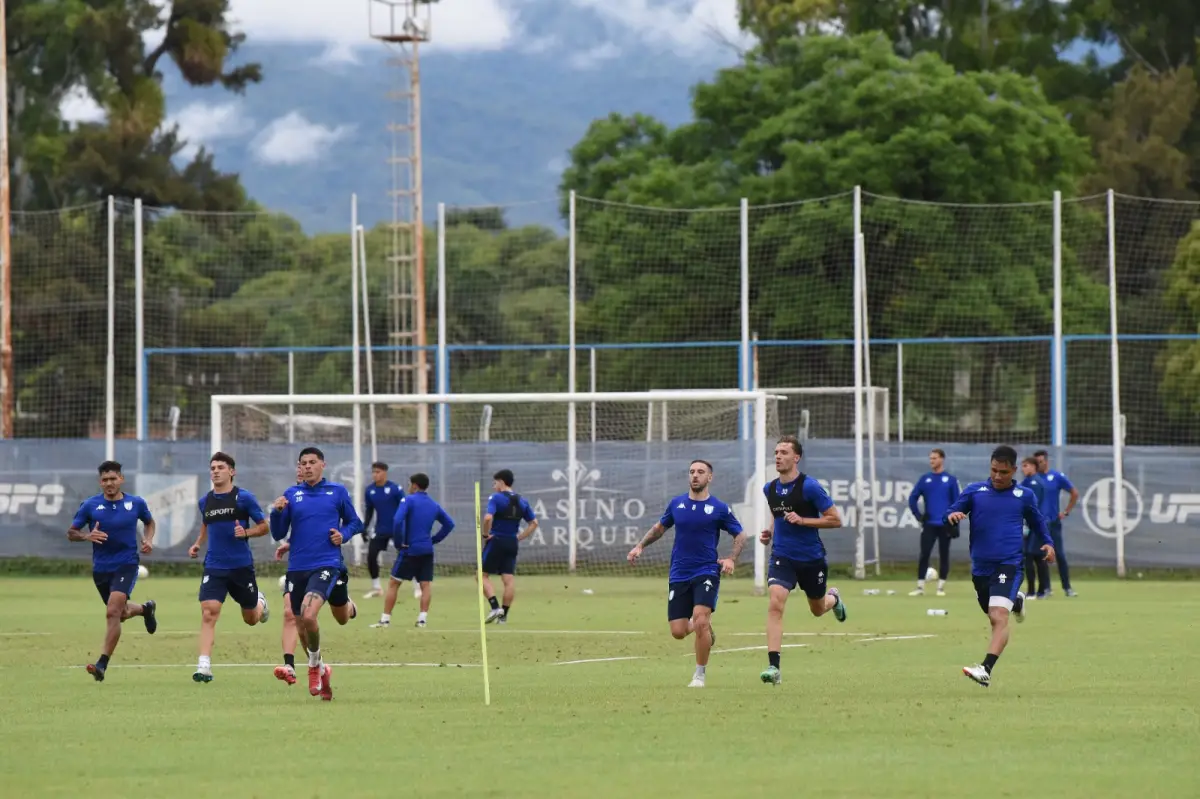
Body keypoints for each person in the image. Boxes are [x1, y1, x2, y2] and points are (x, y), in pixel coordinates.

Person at [627, 459, 746, 688]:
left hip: (707, 570)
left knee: (700, 621)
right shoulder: (676, 504)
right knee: (678, 631)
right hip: (679, 572)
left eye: (701, 472)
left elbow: (740, 535)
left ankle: (699, 675)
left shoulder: (719, 508)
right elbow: (659, 528)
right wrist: (640, 546)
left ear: (709, 477)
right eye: (692, 472)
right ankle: (703, 625)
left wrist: (731, 558)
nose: (695, 475)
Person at [944, 445, 1055, 687]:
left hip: (1010, 564)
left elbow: (1037, 521)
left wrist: (1047, 543)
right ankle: (1016, 601)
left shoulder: (1024, 496)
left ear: (1014, 470)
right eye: (994, 470)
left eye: (1003, 472)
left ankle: (985, 669)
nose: (997, 476)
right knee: (991, 610)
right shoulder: (975, 492)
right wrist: (952, 517)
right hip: (981, 568)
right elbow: (951, 512)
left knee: (998, 616)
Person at [269, 446, 363, 700]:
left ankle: (312, 665)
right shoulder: (292, 494)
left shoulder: (337, 492)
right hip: (298, 567)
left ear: (323, 464)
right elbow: (278, 533)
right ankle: (322, 671)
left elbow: (356, 522)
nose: (308, 466)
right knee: (301, 624)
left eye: (312, 462)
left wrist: (342, 535)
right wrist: (276, 513)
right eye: (304, 463)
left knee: (314, 616)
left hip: (327, 563)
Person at [758, 436, 846, 687]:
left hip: (811, 559)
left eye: (784, 452)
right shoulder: (770, 489)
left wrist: (804, 521)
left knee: (817, 609)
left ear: (796, 458)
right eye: (776, 452)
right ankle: (774, 667)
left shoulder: (810, 487)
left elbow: (835, 519)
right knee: (776, 602)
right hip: (782, 556)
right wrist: (769, 533)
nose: (778, 456)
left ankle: (834, 599)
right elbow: (778, 515)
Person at [67, 460, 158, 682]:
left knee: (112, 612)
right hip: (101, 569)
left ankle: (101, 665)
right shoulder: (90, 505)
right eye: (105, 480)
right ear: (100, 482)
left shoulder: (136, 503)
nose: (109, 483)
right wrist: (87, 536)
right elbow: (71, 532)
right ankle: (146, 609)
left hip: (127, 563)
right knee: (122, 613)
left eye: (113, 479)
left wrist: (148, 539)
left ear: (121, 479)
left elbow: (149, 522)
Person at [187, 452, 270, 683]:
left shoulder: (244, 498)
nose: (215, 471)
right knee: (208, 611)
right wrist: (197, 544)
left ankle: (260, 603)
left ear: (231, 471)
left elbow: (264, 527)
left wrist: (246, 532)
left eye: (220, 467)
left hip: (241, 567)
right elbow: (206, 524)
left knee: (251, 618)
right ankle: (204, 666)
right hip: (214, 566)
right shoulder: (205, 501)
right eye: (212, 467)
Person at [371, 473, 454, 629]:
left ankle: (385, 620)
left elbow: (397, 520)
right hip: (427, 550)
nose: (409, 487)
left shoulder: (408, 500)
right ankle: (422, 619)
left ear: (414, 485)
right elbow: (449, 524)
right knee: (425, 584)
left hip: (410, 549)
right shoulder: (433, 504)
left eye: (410, 484)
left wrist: (398, 542)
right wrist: (433, 540)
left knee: (394, 583)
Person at [480, 469, 539, 625]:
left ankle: (494, 607)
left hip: (496, 540)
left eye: (495, 483)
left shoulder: (496, 498)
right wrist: (519, 537)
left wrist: (486, 535)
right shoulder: (522, 501)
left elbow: (487, 518)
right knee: (508, 579)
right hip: (512, 542)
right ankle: (503, 617)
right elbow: (534, 523)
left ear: (502, 482)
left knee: (482, 575)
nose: (493, 486)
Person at [907, 448, 961, 596]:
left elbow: (958, 502)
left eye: (935, 458)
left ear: (942, 459)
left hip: (945, 524)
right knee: (924, 554)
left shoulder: (950, 480)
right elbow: (912, 499)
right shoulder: (925, 479)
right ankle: (920, 587)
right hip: (929, 524)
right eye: (930, 458)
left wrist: (955, 523)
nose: (932, 461)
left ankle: (940, 587)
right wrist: (919, 515)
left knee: (944, 554)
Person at [1033, 450, 1079, 597]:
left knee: (1059, 555)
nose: (1038, 465)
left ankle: (1067, 588)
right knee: (1041, 557)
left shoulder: (1056, 477)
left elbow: (1074, 493)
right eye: (1035, 462)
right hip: (1039, 524)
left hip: (1053, 522)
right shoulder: (1033, 479)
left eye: (1040, 461)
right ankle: (1046, 588)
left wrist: (1065, 512)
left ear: (1046, 461)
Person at [362, 462, 405, 599]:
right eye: (373, 472)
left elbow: (405, 508)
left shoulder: (395, 489)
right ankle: (376, 588)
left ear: (385, 472)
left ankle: (417, 587)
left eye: (378, 472)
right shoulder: (370, 490)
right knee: (371, 556)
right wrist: (365, 528)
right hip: (381, 529)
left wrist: (406, 526)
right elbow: (369, 511)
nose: (375, 475)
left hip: (397, 529)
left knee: (408, 556)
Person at [1019, 457, 1051, 599]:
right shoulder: (1025, 482)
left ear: (1033, 466)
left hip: (1035, 524)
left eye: (1025, 466)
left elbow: (1032, 505)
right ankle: (1037, 590)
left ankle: (1038, 590)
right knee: (1032, 557)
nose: (1023, 469)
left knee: (1033, 556)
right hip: (1029, 524)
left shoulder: (1035, 483)